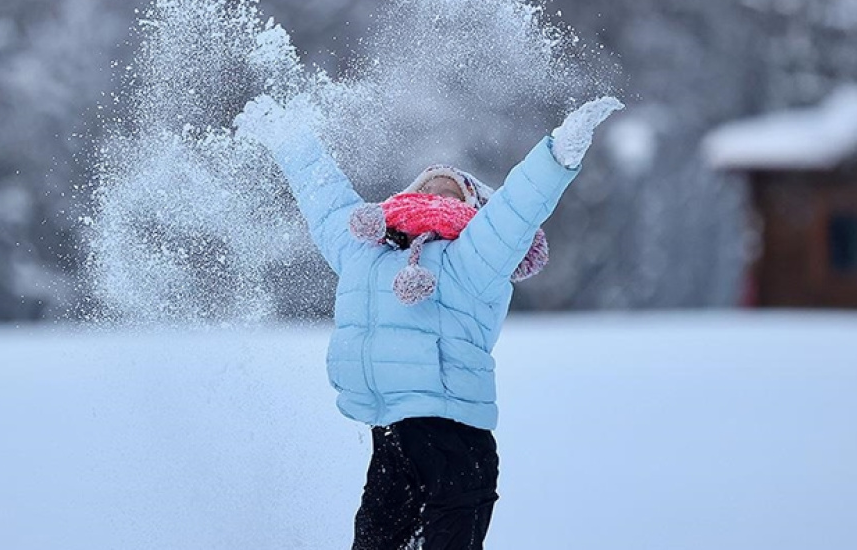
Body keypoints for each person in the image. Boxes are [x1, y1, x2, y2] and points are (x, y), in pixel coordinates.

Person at [234, 94, 623, 549]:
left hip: (457, 444)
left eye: (451, 190)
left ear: (475, 208)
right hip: (392, 440)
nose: (436, 194)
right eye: (427, 187)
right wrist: (289, 140)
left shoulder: (475, 258)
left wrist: (557, 155)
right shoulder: (366, 251)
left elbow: (516, 209)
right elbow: (326, 200)